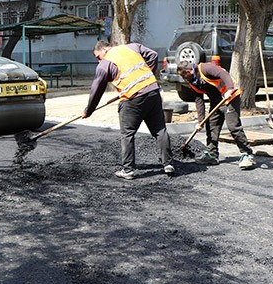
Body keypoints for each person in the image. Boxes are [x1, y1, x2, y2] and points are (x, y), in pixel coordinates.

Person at [82, 40, 174, 180]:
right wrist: (146, 78)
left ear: (104, 50)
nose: (98, 60)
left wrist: (88, 111)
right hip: (153, 90)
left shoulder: (105, 64)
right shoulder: (132, 47)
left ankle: (128, 170)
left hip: (133, 98)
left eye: (97, 56)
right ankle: (168, 164)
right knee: (160, 130)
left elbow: (96, 90)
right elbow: (153, 55)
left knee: (127, 134)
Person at [177, 60, 255, 169]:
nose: (183, 78)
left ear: (189, 71)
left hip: (230, 97)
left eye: (183, 75)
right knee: (212, 125)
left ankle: (247, 154)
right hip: (216, 101)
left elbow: (223, 74)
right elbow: (199, 101)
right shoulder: (193, 81)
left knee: (233, 127)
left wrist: (230, 89)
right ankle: (212, 154)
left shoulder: (205, 68)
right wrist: (200, 122)